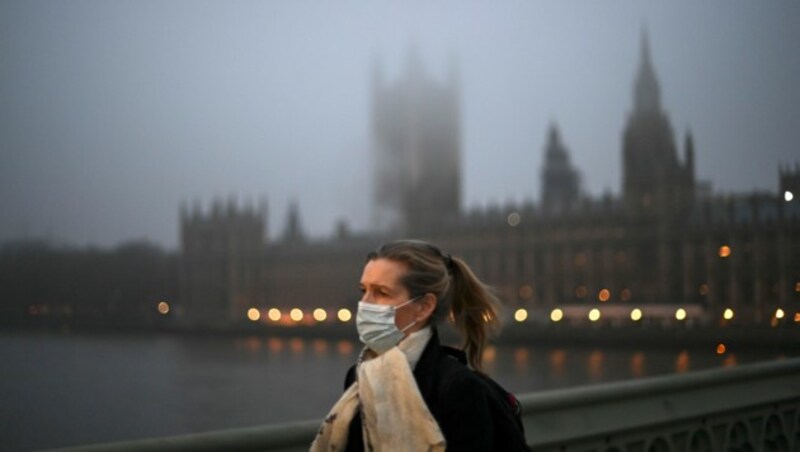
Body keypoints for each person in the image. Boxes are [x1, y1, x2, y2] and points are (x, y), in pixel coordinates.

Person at [311, 239, 528, 452]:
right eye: (363, 290)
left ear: (424, 307)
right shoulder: (358, 377)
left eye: (381, 293)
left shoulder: (460, 389)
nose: (364, 303)